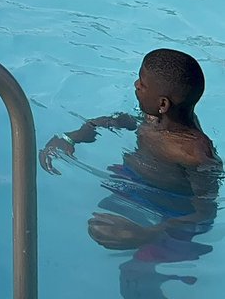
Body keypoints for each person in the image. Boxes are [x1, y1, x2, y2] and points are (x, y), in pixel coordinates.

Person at [39, 49, 220, 288]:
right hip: (139, 185)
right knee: (93, 227)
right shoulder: (155, 117)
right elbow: (120, 121)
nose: (136, 85)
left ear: (163, 103)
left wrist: (151, 234)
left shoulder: (193, 153)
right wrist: (74, 136)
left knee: (133, 276)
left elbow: (205, 212)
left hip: (173, 214)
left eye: (142, 83)